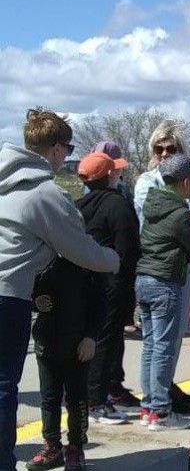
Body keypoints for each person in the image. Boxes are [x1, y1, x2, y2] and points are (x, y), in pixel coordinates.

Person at [0, 109, 119, 471]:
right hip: (8, 297)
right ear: (53, 149)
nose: (67, 157)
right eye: (67, 149)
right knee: (4, 387)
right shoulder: (45, 194)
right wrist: (116, 259)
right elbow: (80, 249)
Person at [133, 121, 190, 414]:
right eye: (160, 148)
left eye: (171, 149)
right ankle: (158, 399)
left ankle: (164, 387)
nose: (165, 153)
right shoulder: (147, 182)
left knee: (176, 332)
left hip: (186, 265)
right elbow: (154, 218)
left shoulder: (188, 183)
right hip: (161, 264)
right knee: (159, 339)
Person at [75, 152, 141, 424]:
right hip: (113, 281)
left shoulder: (78, 205)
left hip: (84, 279)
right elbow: (129, 246)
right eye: (114, 170)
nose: (118, 174)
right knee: (106, 340)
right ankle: (95, 402)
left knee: (90, 339)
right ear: (108, 175)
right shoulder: (117, 204)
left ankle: (94, 395)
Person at [28, 241, 105, 471]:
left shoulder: (87, 263)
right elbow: (28, 289)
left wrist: (91, 337)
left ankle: (76, 446)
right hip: (47, 342)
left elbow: (101, 304)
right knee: (49, 399)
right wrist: (36, 302)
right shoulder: (43, 259)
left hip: (78, 346)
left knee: (77, 400)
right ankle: (52, 446)